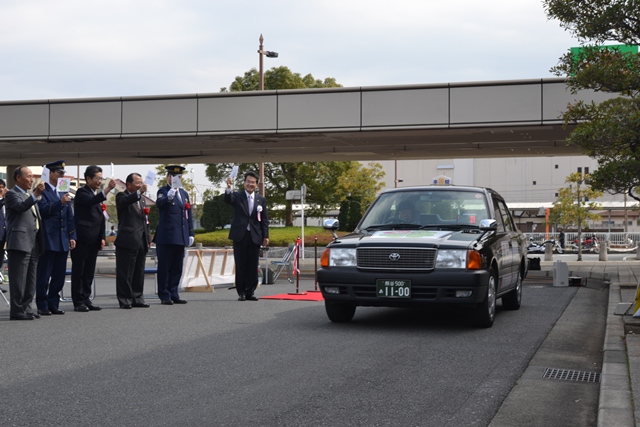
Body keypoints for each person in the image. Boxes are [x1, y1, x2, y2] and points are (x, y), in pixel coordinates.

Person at [71, 165, 116, 312]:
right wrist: (108, 189)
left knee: (89, 271)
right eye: (97, 178)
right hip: (82, 238)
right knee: (80, 270)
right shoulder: (82, 192)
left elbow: (101, 219)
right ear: (88, 178)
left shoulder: (95, 195)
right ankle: (78, 301)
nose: (99, 181)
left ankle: (86, 298)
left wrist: (102, 237)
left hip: (94, 239)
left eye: (101, 178)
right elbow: (92, 201)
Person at [35, 160, 76, 316]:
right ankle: (42, 303)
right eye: (59, 173)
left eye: (63, 173)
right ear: (51, 173)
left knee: (59, 275)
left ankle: (54, 303)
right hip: (49, 237)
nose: (61, 176)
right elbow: (43, 211)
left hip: (62, 238)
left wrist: (72, 235)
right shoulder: (42, 190)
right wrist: (60, 202)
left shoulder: (62, 189)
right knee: (44, 274)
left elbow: (69, 215)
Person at [5, 166, 46, 320]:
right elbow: (21, 207)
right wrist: (35, 194)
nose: (31, 179)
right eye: (28, 176)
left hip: (34, 241)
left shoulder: (30, 195)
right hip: (19, 241)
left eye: (32, 176)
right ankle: (17, 311)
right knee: (18, 279)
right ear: (18, 178)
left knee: (30, 278)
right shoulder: (12, 194)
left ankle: (27, 308)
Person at [224, 171, 269, 301]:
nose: (250, 184)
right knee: (241, 264)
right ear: (244, 183)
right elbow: (228, 199)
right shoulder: (237, 196)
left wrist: (265, 236)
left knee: (253, 264)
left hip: (255, 235)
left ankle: (251, 291)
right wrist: (228, 188)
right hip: (240, 235)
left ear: (256, 184)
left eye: (253, 182)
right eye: (248, 182)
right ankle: (241, 292)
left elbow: (264, 220)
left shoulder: (261, 199)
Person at [154, 165, 194, 305]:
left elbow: (188, 215)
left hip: (180, 236)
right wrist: (168, 198)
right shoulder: (163, 191)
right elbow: (159, 203)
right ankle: (164, 294)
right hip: (167, 237)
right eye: (172, 176)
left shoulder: (184, 194)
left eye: (178, 177)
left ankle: (174, 292)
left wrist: (190, 233)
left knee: (177, 267)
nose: (175, 179)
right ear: (167, 177)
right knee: (165, 267)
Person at [115, 173, 151, 309]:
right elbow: (125, 202)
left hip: (141, 240)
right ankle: (125, 299)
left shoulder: (141, 199)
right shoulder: (121, 196)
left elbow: (145, 220)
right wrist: (138, 193)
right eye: (137, 183)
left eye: (141, 183)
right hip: (127, 240)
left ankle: (137, 297)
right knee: (126, 272)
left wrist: (148, 237)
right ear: (128, 184)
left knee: (138, 271)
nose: (140, 185)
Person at [0, 179, 7, 294]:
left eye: (2, 187)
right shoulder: (3, 201)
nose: (1, 189)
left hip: (4, 236)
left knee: (0, 261)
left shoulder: (6, 201)